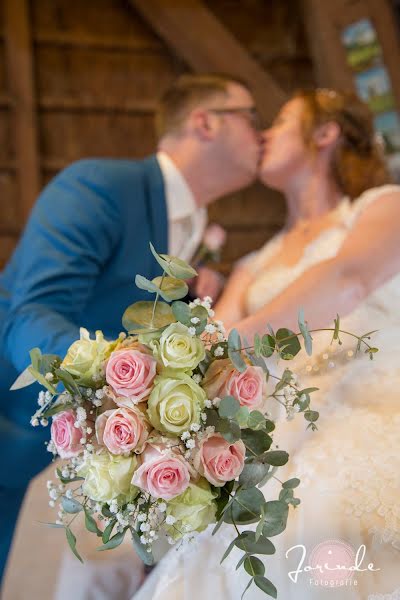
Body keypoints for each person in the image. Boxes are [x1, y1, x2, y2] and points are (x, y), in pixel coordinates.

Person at [132, 89, 400, 599]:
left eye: (279, 121)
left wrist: (238, 341)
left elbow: (349, 277)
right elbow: (209, 349)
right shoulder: (255, 263)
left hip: (371, 403)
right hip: (275, 429)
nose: (264, 134)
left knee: (323, 527)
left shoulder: (383, 207)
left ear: (325, 133)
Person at [0, 73, 262, 583]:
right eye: (252, 119)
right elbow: (31, 316)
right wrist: (127, 390)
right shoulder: (97, 185)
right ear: (205, 122)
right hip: (10, 429)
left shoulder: (193, 222)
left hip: (72, 469)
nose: (263, 134)